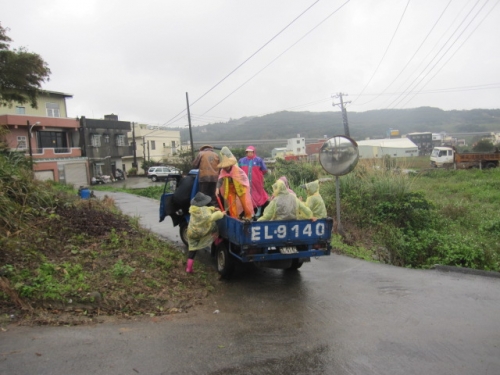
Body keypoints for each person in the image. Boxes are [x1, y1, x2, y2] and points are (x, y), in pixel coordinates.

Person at [185, 192, 225, 273]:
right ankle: (216, 240)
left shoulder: (193, 209)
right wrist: (221, 213)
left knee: (192, 250)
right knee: (214, 226)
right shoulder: (204, 214)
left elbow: (206, 209)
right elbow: (212, 217)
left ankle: (188, 268)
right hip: (201, 232)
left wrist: (213, 208)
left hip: (191, 232)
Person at [216, 147, 254, 220]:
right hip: (230, 188)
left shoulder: (236, 169)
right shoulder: (223, 171)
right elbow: (220, 180)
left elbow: (243, 177)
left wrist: (245, 185)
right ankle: (235, 218)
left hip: (239, 187)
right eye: (224, 167)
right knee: (231, 204)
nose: (225, 168)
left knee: (244, 202)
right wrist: (217, 188)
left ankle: (248, 216)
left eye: (226, 166)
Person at [238, 146, 268, 215]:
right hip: (245, 182)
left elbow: (264, 170)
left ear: (254, 152)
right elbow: (239, 170)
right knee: (247, 195)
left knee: (258, 194)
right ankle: (250, 211)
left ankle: (259, 209)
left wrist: (257, 176)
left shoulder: (258, 160)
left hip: (256, 182)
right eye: (248, 152)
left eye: (251, 152)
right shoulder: (242, 160)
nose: (249, 153)